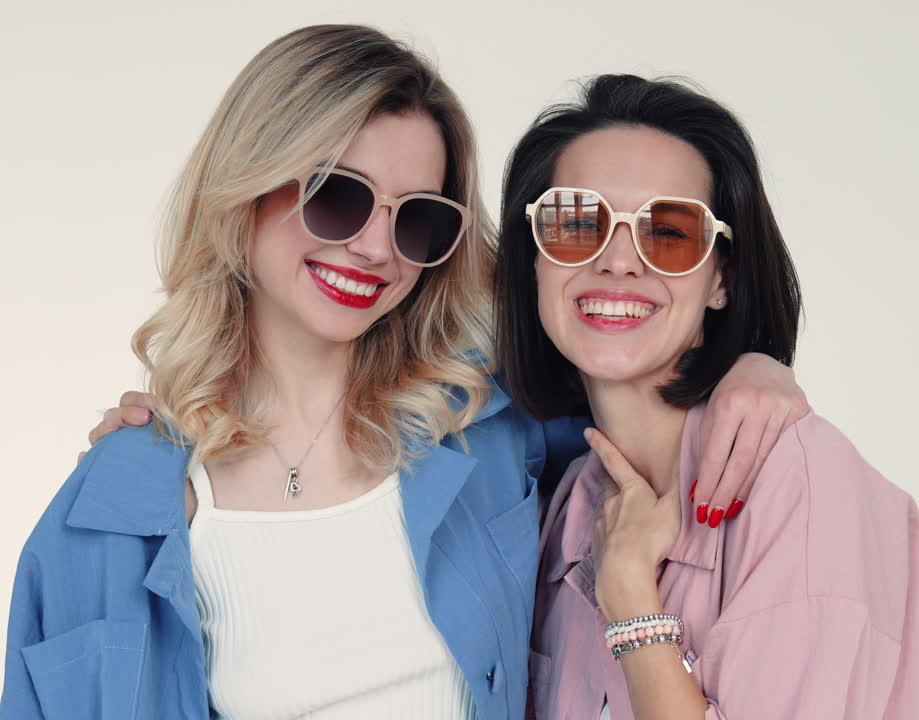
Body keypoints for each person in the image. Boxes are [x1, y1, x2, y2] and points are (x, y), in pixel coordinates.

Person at [0, 28, 807, 720]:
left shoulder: (496, 431)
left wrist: (752, 364)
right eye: (338, 198)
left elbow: (649, 399)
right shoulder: (115, 509)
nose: (377, 249)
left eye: (418, 217)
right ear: (245, 189)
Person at [494, 75, 919, 719]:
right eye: (577, 222)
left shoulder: (802, 484)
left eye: (669, 233)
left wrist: (630, 599)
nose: (618, 260)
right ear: (532, 262)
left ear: (721, 278)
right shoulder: (565, 502)